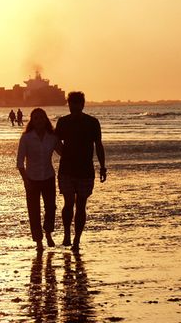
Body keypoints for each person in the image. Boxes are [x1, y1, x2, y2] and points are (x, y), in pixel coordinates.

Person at [55, 91, 106, 251]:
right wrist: (66, 154)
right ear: (69, 104)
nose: (74, 106)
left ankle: (76, 238)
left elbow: (98, 145)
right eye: (71, 103)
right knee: (68, 202)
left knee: (81, 205)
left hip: (85, 169)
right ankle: (67, 235)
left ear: (82, 105)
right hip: (67, 169)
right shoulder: (63, 122)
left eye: (77, 103)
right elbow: (56, 142)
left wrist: (103, 166)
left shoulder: (92, 122)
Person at [17, 108, 62, 250]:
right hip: (32, 178)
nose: (39, 120)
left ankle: (48, 232)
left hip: (48, 176)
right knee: (33, 210)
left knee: (50, 207)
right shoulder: (26, 137)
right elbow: (20, 162)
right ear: (32, 120)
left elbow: (62, 152)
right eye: (36, 118)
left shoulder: (52, 136)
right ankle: (38, 241)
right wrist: (26, 180)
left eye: (41, 117)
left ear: (45, 119)